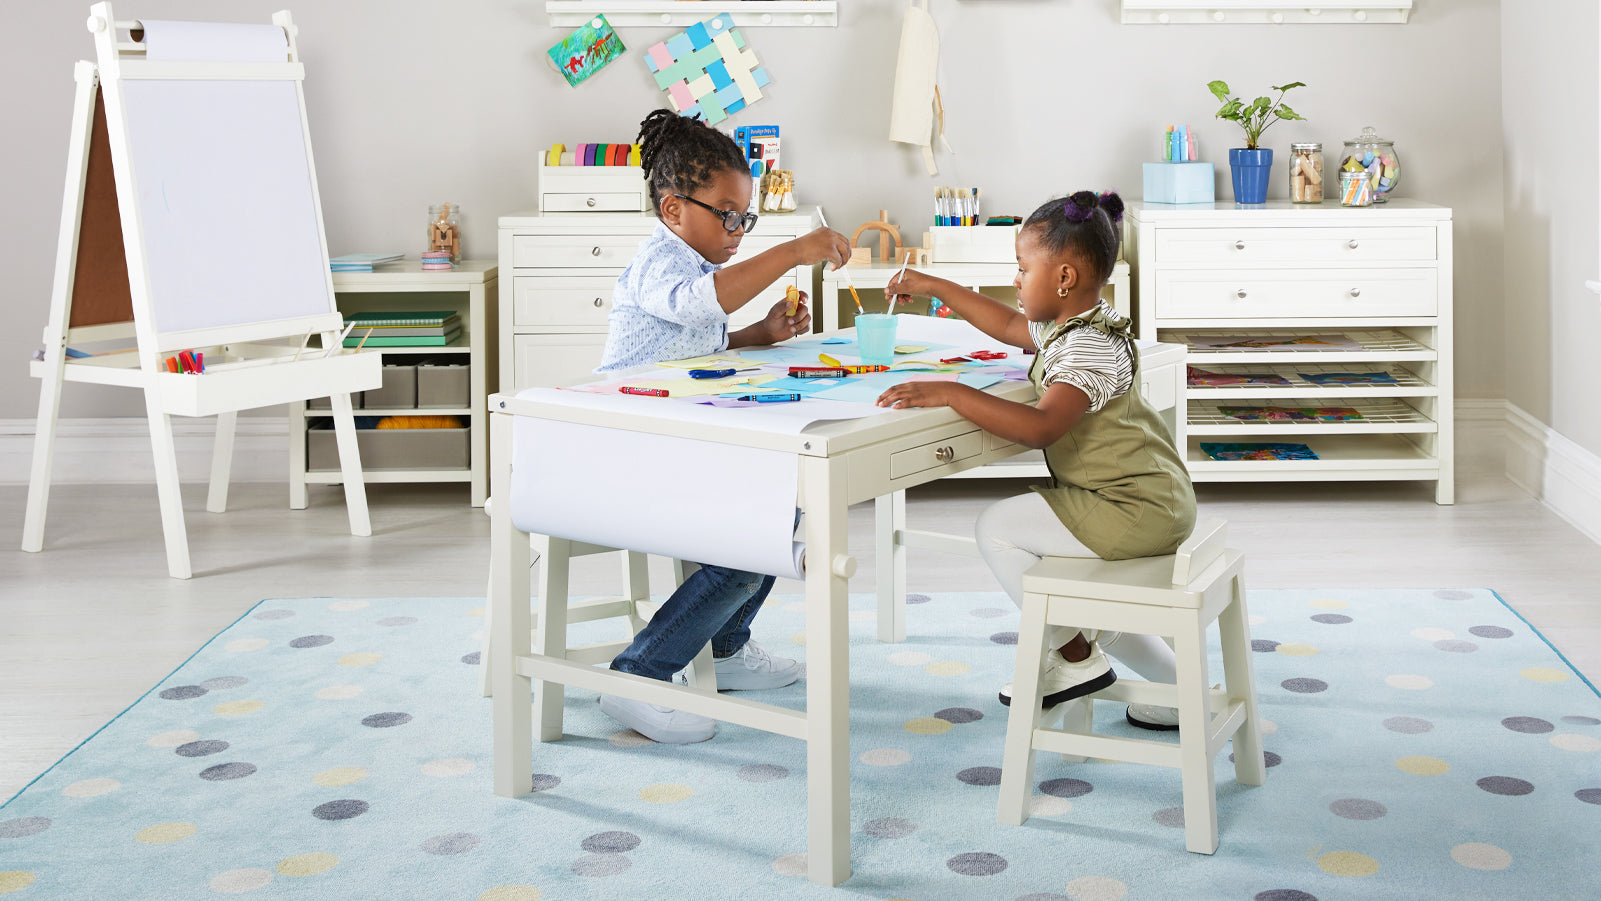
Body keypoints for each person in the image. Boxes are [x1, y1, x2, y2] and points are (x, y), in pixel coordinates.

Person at [877, 190, 1196, 731]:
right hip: (1149, 499)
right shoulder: (1077, 326)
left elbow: (1042, 427)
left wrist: (954, 393)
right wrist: (933, 286)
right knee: (1076, 593)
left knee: (997, 528)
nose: (1017, 281)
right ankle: (1180, 692)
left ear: (1064, 278)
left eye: (1022, 269)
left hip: (1132, 507)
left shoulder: (1085, 348)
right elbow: (1006, 325)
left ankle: (1075, 658)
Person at [593, 109, 851, 744]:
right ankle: (639, 673)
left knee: (776, 519)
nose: (737, 231)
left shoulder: (697, 268)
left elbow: (695, 339)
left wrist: (759, 335)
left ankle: (728, 651)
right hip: (628, 448)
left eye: (746, 219)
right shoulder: (661, 260)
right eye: (727, 215)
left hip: (678, 442)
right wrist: (791, 252)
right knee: (744, 547)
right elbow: (694, 306)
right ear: (672, 208)